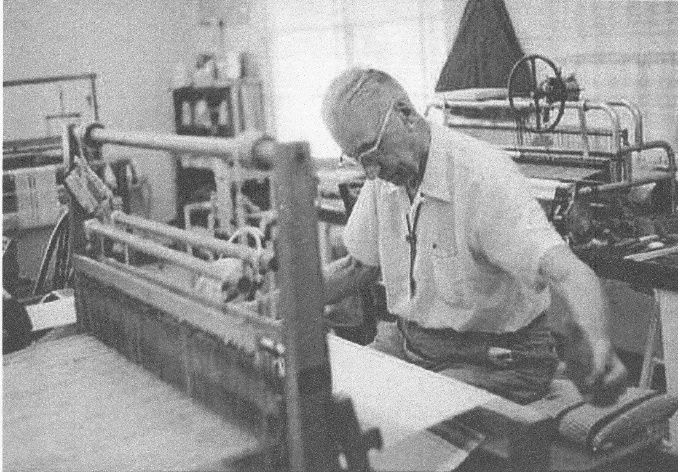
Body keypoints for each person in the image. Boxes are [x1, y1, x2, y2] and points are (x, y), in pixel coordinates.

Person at [321, 67, 627, 406]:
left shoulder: (481, 179)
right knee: (331, 397)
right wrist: (284, 304)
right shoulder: (386, 178)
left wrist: (598, 342)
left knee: (410, 410)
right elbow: (357, 267)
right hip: (412, 343)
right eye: (358, 159)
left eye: (371, 152)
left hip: (498, 360)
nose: (370, 172)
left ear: (405, 114)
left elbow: (568, 272)